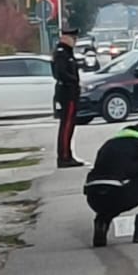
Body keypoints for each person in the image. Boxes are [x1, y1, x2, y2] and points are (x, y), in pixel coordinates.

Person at [83, 121, 138, 247]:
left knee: (111, 188)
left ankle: (102, 222)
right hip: (118, 195)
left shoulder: (109, 143)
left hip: (93, 198)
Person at [51, 26, 84, 168]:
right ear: (66, 38)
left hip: (71, 92)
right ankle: (64, 156)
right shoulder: (61, 53)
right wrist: (74, 82)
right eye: (73, 38)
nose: (74, 41)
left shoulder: (67, 52)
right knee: (66, 125)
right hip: (67, 93)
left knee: (69, 126)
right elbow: (61, 73)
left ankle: (67, 154)